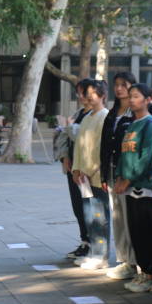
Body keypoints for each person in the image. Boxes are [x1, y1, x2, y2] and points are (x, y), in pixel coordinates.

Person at [113, 83, 152, 292]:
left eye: (136, 96)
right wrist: (119, 176)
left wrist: (128, 179)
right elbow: (124, 155)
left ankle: (150, 275)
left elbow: (149, 158)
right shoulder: (132, 124)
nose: (131, 100)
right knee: (136, 232)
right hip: (130, 189)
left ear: (147, 100)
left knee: (147, 233)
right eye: (130, 96)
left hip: (146, 188)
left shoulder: (151, 125)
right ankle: (142, 272)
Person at [101, 71, 139, 280]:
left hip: (129, 175)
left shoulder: (137, 113)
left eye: (124, 84)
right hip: (111, 172)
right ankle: (124, 260)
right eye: (116, 84)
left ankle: (134, 261)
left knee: (130, 218)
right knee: (117, 218)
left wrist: (128, 175)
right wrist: (103, 174)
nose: (119, 88)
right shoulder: (111, 113)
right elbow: (104, 145)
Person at [71, 79, 110, 269]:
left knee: (99, 216)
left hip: (96, 175)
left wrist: (88, 170)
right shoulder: (87, 117)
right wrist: (76, 169)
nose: (89, 97)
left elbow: (101, 149)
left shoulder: (104, 117)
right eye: (88, 93)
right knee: (89, 216)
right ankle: (93, 253)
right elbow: (79, 146)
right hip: (83, 177)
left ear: (103, 96)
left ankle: (101, 256)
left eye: (94, 93)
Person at [57, 81, 91, 259]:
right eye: (78, 93)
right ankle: (84, 241)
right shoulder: (79, 113)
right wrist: (65, 157)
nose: (80, 97)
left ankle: (92, 244)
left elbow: (79, 136)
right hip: (73, 168)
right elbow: (64, 135)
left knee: (89, 207)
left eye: (83, 93)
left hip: (86, 170)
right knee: (78, 206)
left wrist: (69, 126)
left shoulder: (96, 115)